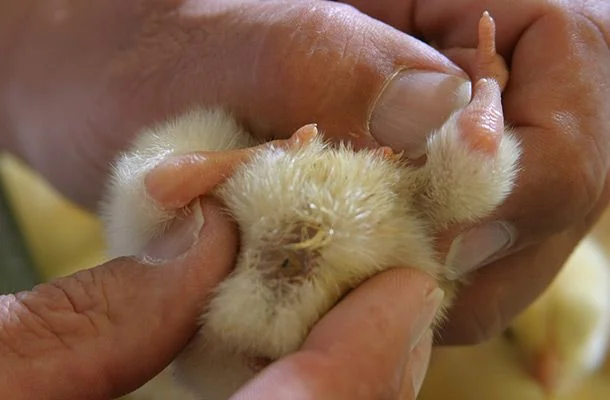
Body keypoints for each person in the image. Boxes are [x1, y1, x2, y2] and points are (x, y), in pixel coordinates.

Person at [0, 0, 608, 399]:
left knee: (165, 198)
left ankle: (480, 105)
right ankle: (481, 106)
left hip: (228, 266)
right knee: (466, 187)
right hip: (327, 260)